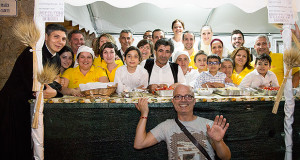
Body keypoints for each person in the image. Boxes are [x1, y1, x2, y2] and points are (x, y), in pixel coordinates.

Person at [0, 23, 68, 159]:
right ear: (46, 37)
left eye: (63, 39)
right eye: (56, 37)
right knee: (12, 145)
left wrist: (55, 90)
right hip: (13, 105)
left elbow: (53, 84)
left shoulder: (55, 58)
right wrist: (56, 91)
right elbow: (36, 87)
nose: (60, 42)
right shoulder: (33, 53)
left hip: (31, 105)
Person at [134, 84, 231, 160]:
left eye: (188, 96)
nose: (183, 100)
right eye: (178, 96)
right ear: (173, 101)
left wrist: (218, 142)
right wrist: (144, 113)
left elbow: (226, 157)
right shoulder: (166, 126)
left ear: (194, 101)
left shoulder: (209, 126)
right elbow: (139, 144)